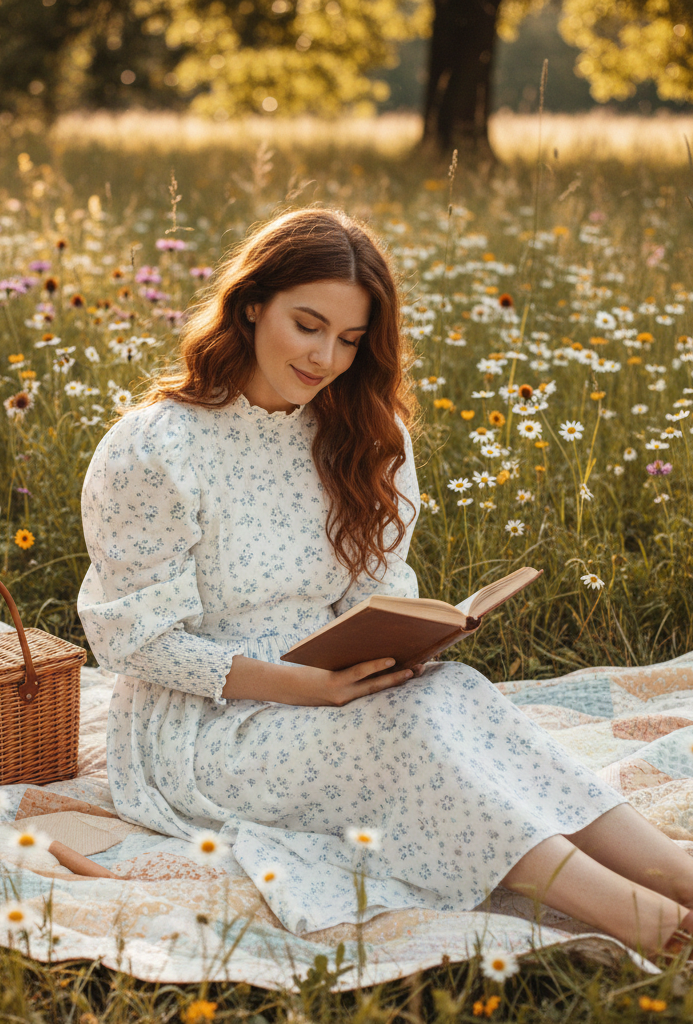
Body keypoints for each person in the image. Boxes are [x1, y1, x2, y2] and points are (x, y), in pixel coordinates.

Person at [79, 207, 693, 954]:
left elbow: (374, 590)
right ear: (250, 306)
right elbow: (137, 641)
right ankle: (632, 913)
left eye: (349, 339)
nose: (324, 358)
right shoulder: (155, 448)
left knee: (453, 692)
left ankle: (674, 872)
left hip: (334, 679)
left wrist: (406, 641)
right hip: (201, 724)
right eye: (307, 325)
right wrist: (307, 688)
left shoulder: (364, 433)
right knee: (400, 733)